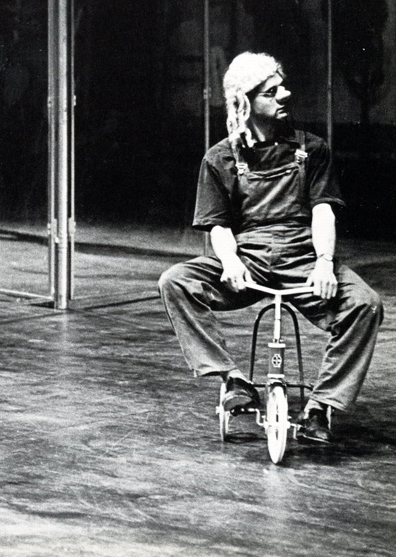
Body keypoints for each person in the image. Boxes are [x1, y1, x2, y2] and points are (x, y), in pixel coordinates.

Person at [158, 51, 382, 444]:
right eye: (271, 91)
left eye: (282, 86)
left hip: (303, 257)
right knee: (175, 281)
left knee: (366, 304)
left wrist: (324, 262)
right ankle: (234, 380)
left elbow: (324, 211)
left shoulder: (311, 149)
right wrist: (229, 261)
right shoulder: (220, 158)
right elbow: (218, 225)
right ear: (245, 102)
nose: (284, 95)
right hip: (249, 259)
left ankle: (320, 407)